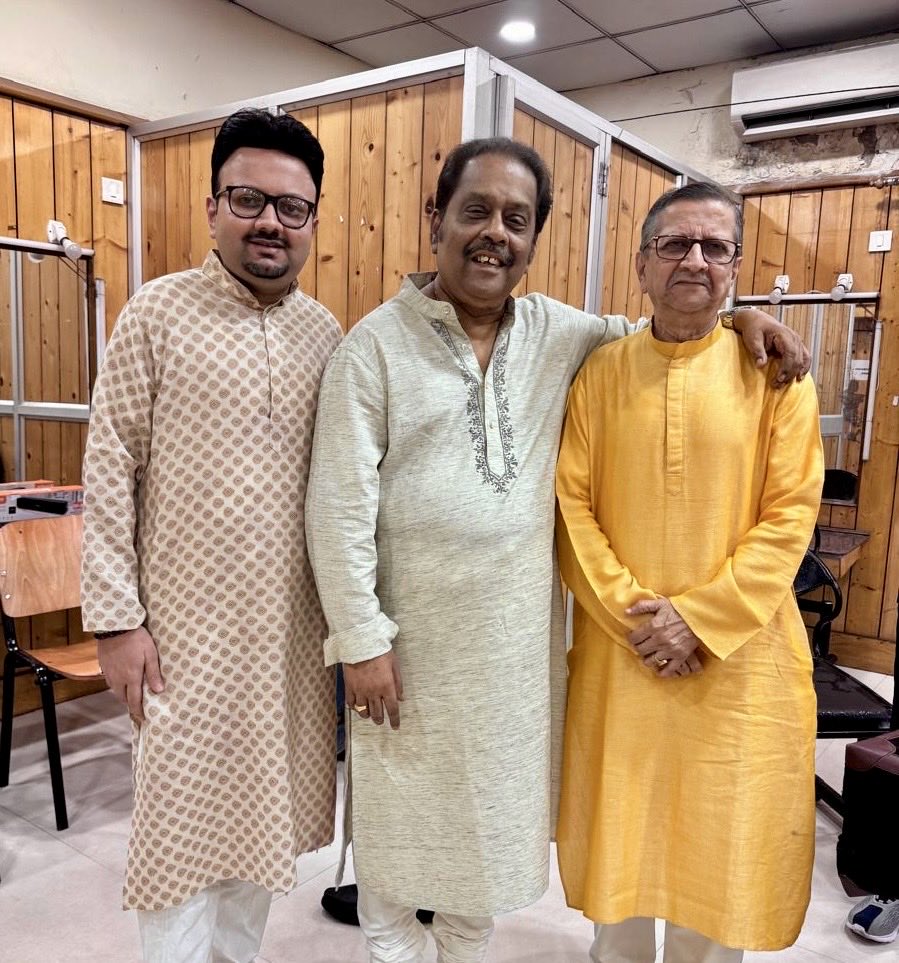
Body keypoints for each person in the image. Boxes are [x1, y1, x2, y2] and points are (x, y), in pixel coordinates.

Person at [305, 138, 809, 963]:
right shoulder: (375, 347)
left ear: (536, 236)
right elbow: (340, 506)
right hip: (410, 650)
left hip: (515, 657)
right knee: (398, 852)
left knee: (489, 849)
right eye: (475, 211)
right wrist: (360, 639)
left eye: (516, 218)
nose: (494, 233)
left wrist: (745, 316)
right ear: (435, 219)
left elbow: (676, 334)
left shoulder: (559, 333)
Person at [80, 108, 342, 963]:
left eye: (292, 206)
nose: (270, 220)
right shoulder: (155, 314)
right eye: (248, 198)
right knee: (179, 840)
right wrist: (116, 620)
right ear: (211, 207)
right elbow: (107, 467)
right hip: (178, 640)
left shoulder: (324, 333)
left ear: (311, 218)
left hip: (287, 645)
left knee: (257, 840)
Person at [555, 182, 824, 962]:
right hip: (625, 660)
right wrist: (645, 622)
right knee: (625, 866)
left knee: (718, 862)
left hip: (737, 668)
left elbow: (787, 517)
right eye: (674, 244)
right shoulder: (599, 373)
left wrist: (699, 621)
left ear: (736, 268)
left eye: (714, 247)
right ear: (640, 264)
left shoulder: (776, 377)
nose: (694, 260)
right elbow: (571, 508)